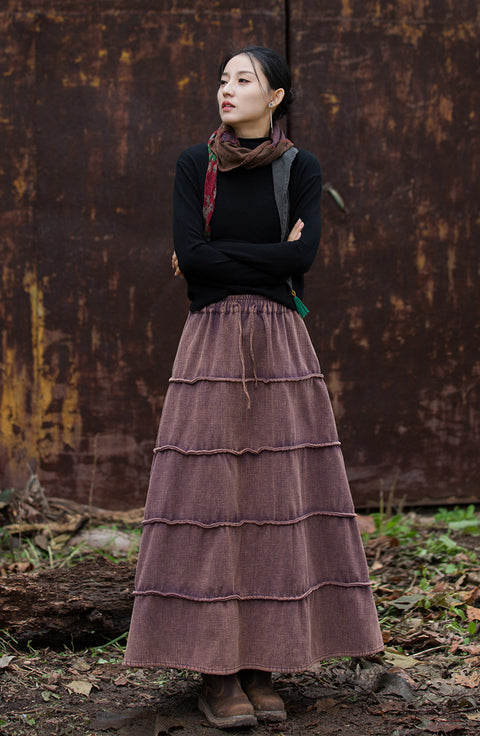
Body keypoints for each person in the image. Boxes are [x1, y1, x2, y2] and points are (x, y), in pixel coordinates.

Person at [124, 45, 383, 730]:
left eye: (244, 80)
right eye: (222, 79)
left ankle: (262, 666)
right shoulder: (194, 164)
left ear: (278, 97)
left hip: (280, 344)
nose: (226, 90)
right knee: (211, 501)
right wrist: (258, 263)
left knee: (275, 500)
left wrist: (226, 261)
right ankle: (215, 673)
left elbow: (301, 259)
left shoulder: (301, 167)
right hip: (211, 342)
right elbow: (193, 262)